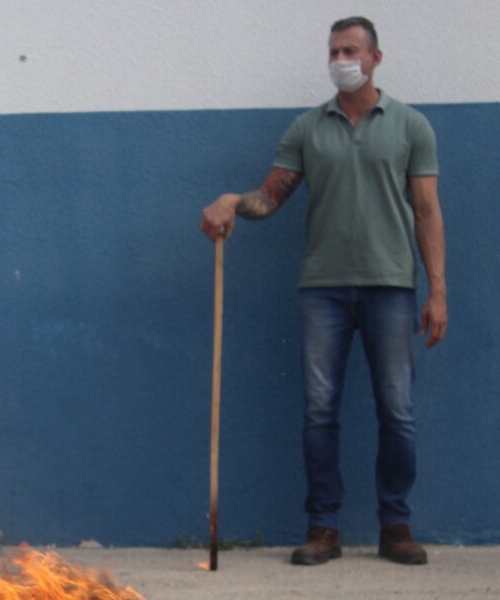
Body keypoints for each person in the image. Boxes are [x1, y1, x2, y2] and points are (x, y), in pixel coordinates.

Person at [200, 16, 446, 566]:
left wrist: (438, 292)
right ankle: (323, 527)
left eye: (352, 50)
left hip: (391, 287)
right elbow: (271, 197)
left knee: (398, 412)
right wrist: (233, 201)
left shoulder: (411, 126)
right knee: (318, 412)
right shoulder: (308, 129)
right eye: (334, 50)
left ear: (376, 58)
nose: (342, 59)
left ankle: (396, 527)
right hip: (323, 290)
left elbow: (427, 211)